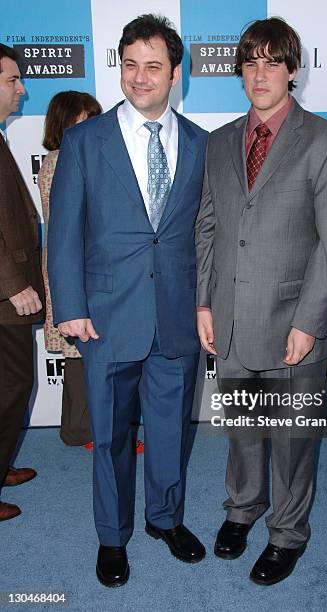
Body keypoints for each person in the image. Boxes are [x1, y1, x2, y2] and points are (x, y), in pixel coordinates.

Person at [196, 18, 327, 586]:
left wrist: (311, 323)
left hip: (295, 322)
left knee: (292, 438)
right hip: (233, 318)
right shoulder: (218, 142)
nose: (260, 75)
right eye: (250, 63)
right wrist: (203, 303)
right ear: (239, 70)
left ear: (293, 70)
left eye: (272, 63)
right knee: (242, 428)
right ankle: (242, 509)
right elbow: (209, 228)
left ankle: (288, 534)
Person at [48, 14, 208, 587]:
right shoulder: (83, 141)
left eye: (154, 67)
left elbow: (202, 236)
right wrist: (69, 304)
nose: (141, 78)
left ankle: (164, 520)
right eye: (131, 65)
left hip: (175, 317)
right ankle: (112, 538)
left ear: (175, 73)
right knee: (112, 436)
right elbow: (63, 231)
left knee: (170, 432)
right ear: (120, 68)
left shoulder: (199, 144)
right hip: (106, 318)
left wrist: (206, 305)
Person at [39, 91, 101, 447]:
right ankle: (84, 429)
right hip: (71, 271)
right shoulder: (62, 161)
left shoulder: (62, 159)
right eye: (85, 118)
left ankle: (75, 427)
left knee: (79, 355)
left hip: (73, 268)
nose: (93, 125)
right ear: (66, 123)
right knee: (79, 355)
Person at [0, 44, 44, 521]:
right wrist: (12, 283)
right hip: (3, 293)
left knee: (10, 385)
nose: (22, 89)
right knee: (12, 386)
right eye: (13, 80)